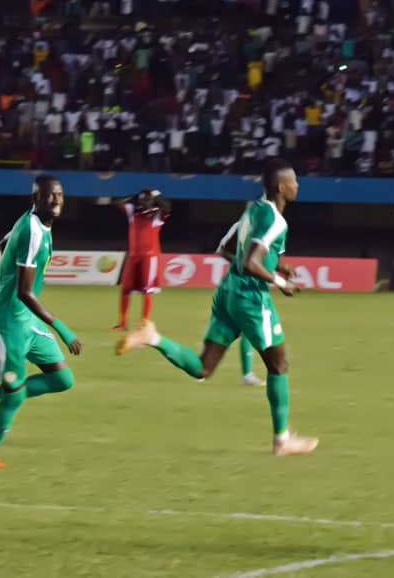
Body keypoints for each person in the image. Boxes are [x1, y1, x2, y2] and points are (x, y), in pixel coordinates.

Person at [117, 159, 318, 456]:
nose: (297, 185)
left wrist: (278, 265)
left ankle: (152, 337)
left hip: (227, 292)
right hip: (250, 298)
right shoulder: (276, 220)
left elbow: (226, 249)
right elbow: (251, 263)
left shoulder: (252, 210)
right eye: (294, 181)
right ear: (281, 187)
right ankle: (282, 440)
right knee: (279, 365)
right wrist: (279, 280)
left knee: (203, 368)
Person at [0, 175, 82, 469]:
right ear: (36, 200)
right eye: (48, 196)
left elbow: (4, 242)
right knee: (15, 398)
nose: (55, 201)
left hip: (26, 320)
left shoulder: (36, 223)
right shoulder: (33, 230)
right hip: (7, 324)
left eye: (59, 195)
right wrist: (63, 328)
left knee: (62, 379)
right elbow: (24, 291)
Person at [215, 217, 266, 387]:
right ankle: (246, 374)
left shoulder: (265, 229)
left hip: (248, 286)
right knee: (246, 329)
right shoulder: (240, 226)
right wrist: (240, 264)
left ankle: (202, 364)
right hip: (239, 285)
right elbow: (221, 250)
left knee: (234, 329)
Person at [112, 189, 170, 330]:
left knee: (148, 290)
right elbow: (117, 202)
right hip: (133, 256)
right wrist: (135, 195)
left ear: (151, 201)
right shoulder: (133, 211)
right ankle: (123, 322)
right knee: (125, 289)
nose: (144, 203)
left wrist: (157, 195)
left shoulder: (157, 214)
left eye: (147, 201)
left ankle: (144, 322)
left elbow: (168, 207)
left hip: (150, 257)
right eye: (142, 201)